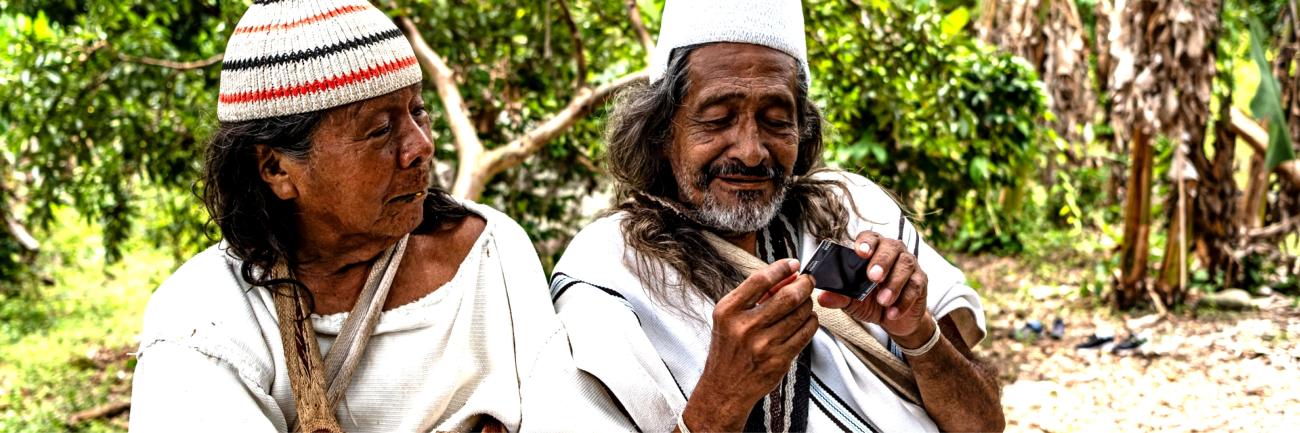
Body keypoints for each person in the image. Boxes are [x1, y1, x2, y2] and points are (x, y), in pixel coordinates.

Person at [128, 1, 624, 431]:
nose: (421, 145)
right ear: (276, 167)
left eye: (418, 111)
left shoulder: (492, 252)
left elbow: (568, 414)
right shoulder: (204, 318)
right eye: (379, 130)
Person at [549, 0, 1006, 431]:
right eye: (717, 118)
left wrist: (917, 332)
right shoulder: (607, 268)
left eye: (774, 119)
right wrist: (721, 400)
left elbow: (984, 423)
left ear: (800, 130)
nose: (750, 152)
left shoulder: (853, 208)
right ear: (662, 132)